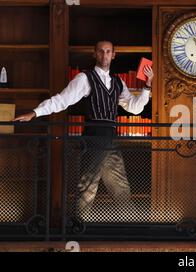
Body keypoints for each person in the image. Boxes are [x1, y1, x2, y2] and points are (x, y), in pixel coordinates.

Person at [14, 40, 154, 221]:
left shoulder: (118, 82)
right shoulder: (84, 78)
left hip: (111, 138)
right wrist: (35, 112)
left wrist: (147, 87)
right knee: (87, 184)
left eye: (108, 51)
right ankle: (77, 227)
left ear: (113, 55)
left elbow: (135, 108)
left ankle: (132, 227)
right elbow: (61, 100)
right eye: (101, 51)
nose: (104, 55)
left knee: (121, 186)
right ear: (94, 54)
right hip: (93, 137)